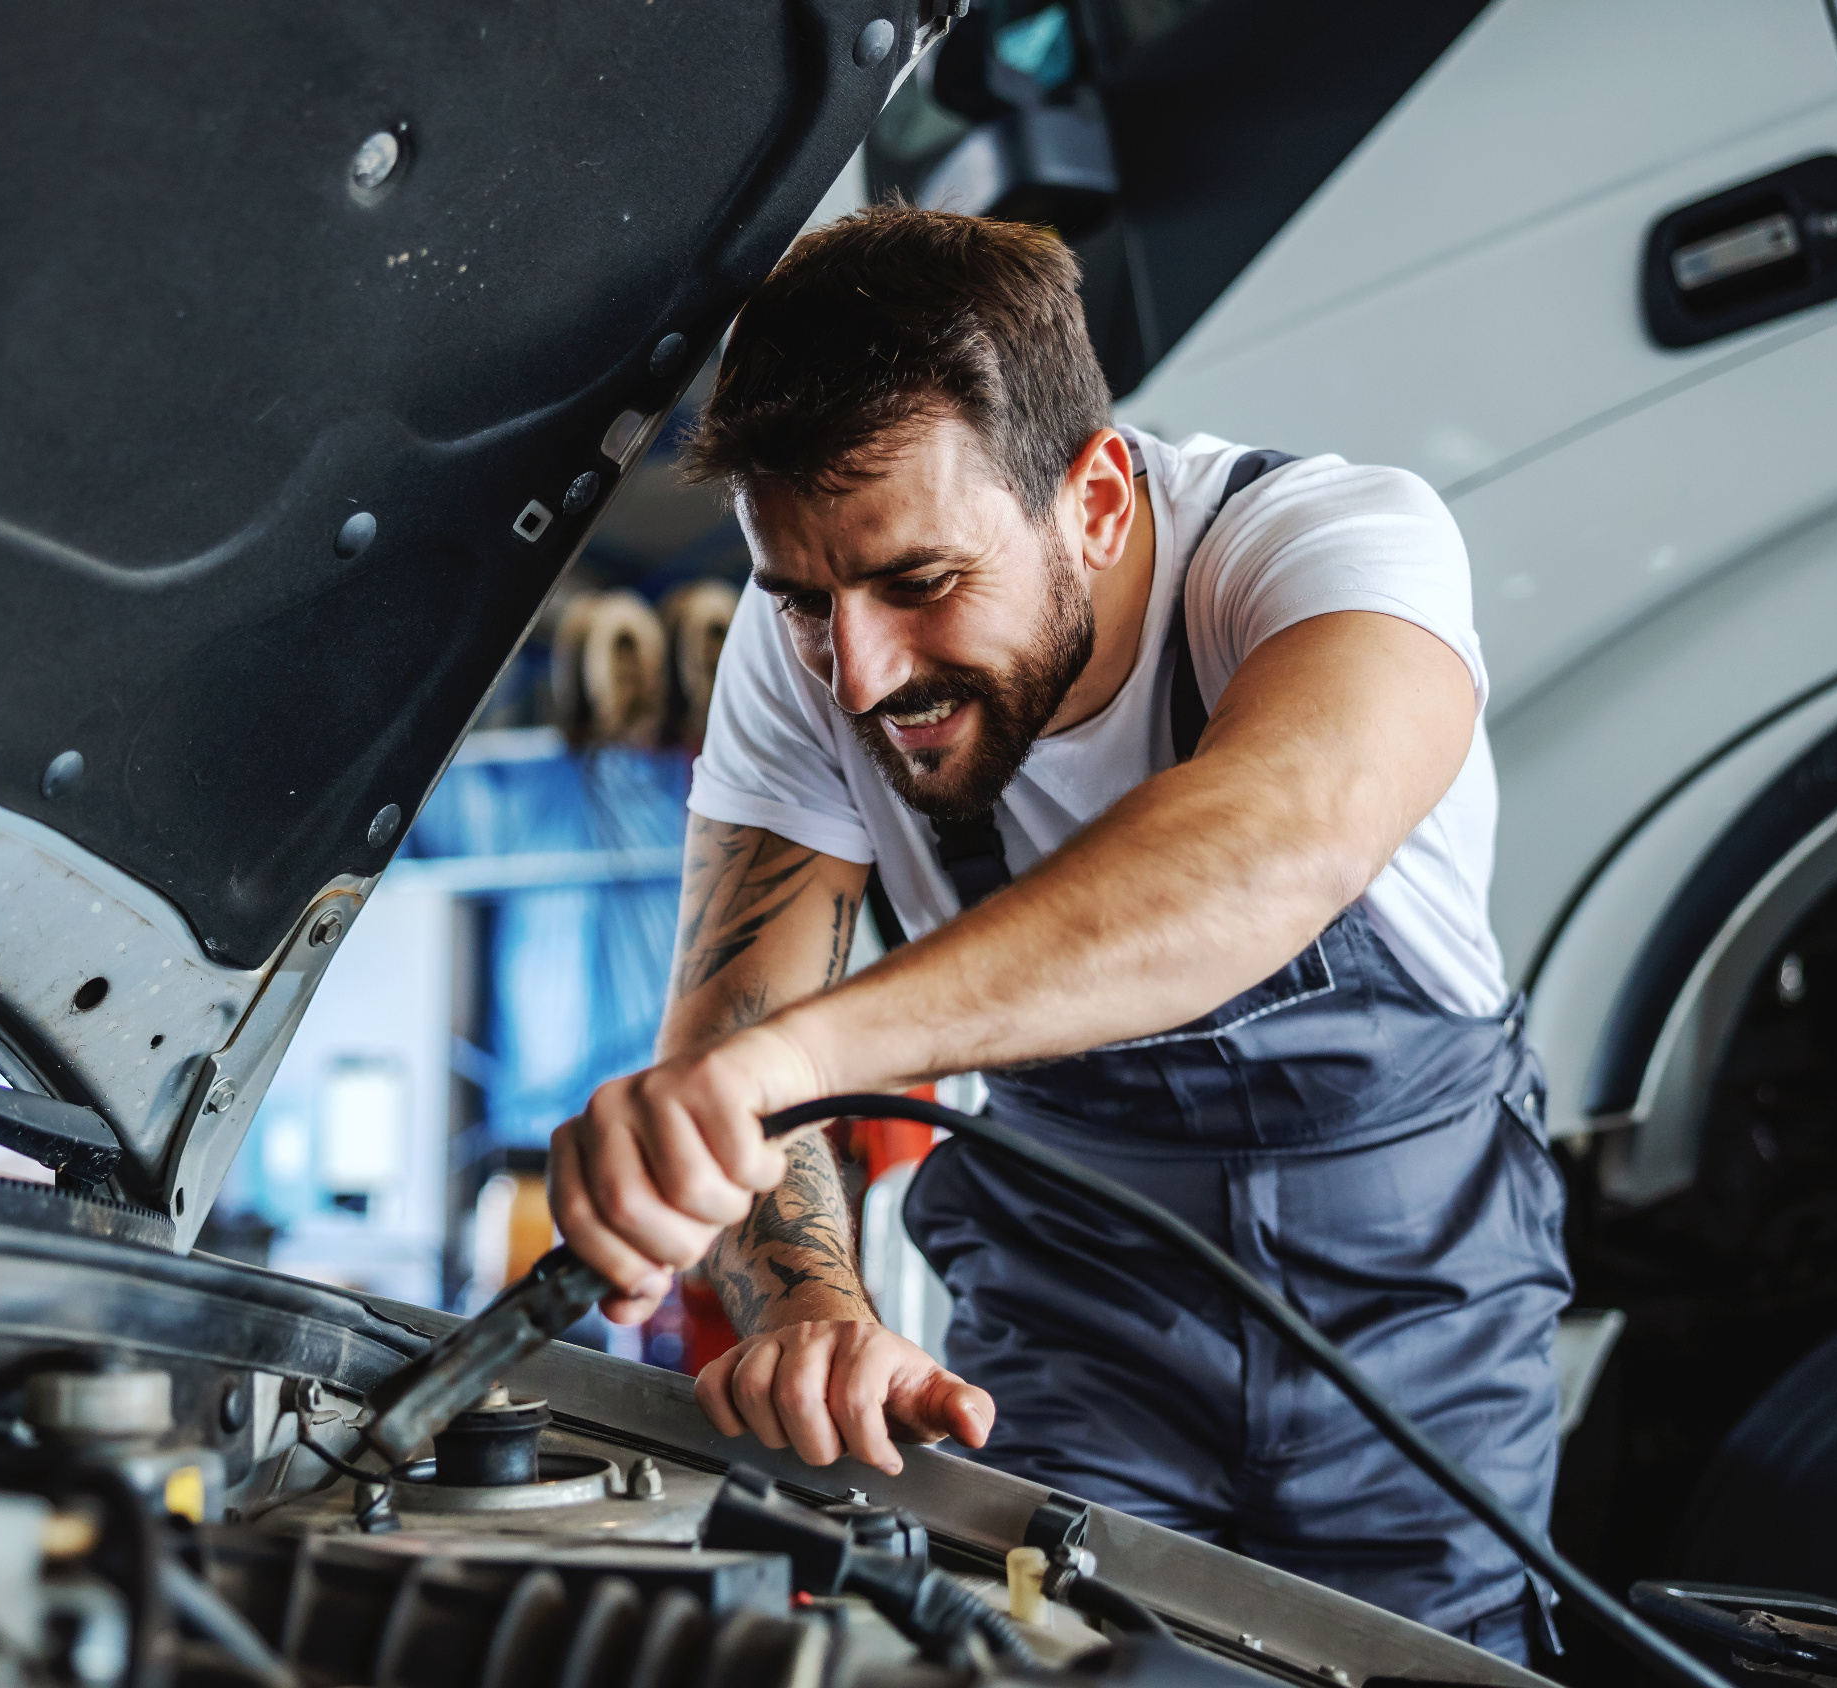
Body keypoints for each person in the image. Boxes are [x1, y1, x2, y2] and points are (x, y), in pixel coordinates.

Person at [546, 204, 1569, 1662]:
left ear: (1093, 498)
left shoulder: (1331, 549)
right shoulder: (809, 668)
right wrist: (808, 1311)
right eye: (805, 601)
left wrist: (788, 1065)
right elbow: (732, 1076)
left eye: (921, 583)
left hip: (1410, 1335)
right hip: (1077, 1331)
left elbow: (1270, 849)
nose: (860, 672)